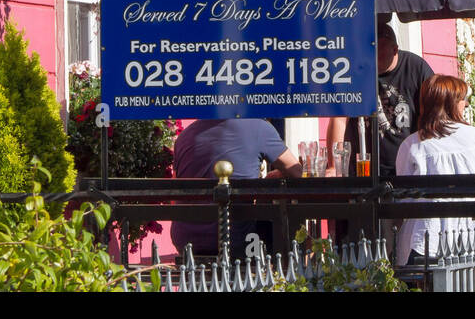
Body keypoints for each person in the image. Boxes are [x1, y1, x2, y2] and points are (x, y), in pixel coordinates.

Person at [394, 74, 475, 265]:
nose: (466, 104)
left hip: (428, 241)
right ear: (451, 103)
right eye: (462, 99)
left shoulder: (412, 145)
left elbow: (405, 200)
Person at [169, 118, 302, 260]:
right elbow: (296, 171)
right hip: (238, 238)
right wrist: (273, 178)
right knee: (278, 224)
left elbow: (175, 192)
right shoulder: (259, 127)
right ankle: (288, 272)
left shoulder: (185, 136)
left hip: (186, 240)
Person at [328, 19, 434, 179]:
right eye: (370, 51)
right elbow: (339, 119)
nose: (374, 58)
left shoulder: (415, 68)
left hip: (407, 168)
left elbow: (432, 114)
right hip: (363, 168)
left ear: (395, 50)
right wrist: (334, 165)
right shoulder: (356, 68)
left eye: (380, 52)